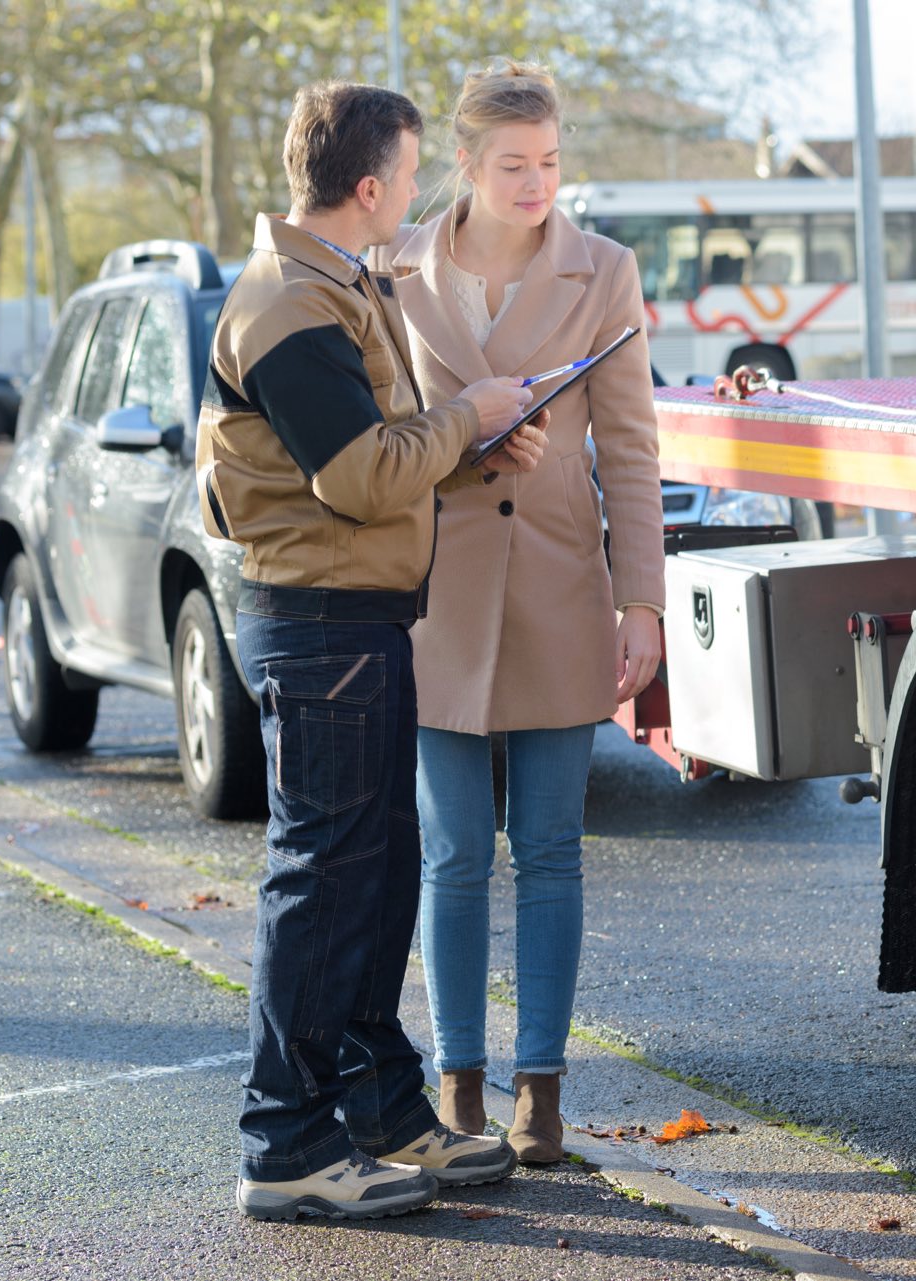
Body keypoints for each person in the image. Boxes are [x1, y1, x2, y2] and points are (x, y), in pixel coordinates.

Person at [196, 80, 549, 1223]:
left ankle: (384, 1112)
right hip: (322, 624)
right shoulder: (290, 304)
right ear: (368, 185)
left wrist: (471, 445)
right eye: (408, 173)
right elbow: (356, 476)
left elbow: (378, 453)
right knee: (323, 884)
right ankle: (285, 1144)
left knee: (373, 875)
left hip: (357, 620)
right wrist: (473, 413)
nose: (417, 190)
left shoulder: (334, 284)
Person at [368, 60, 665, 1165]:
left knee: (550, 850)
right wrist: (463, 436)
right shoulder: (394, 267)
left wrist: (641, 599)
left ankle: (541, 1094)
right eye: (514, 166)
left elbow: (630, 448)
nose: (538, 183)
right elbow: (373, 430)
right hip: (432, 594)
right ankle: (459, 1089)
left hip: (556, 590)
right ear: (466, 163)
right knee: (450, 855)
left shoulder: (606, 271)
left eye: (550, 162)